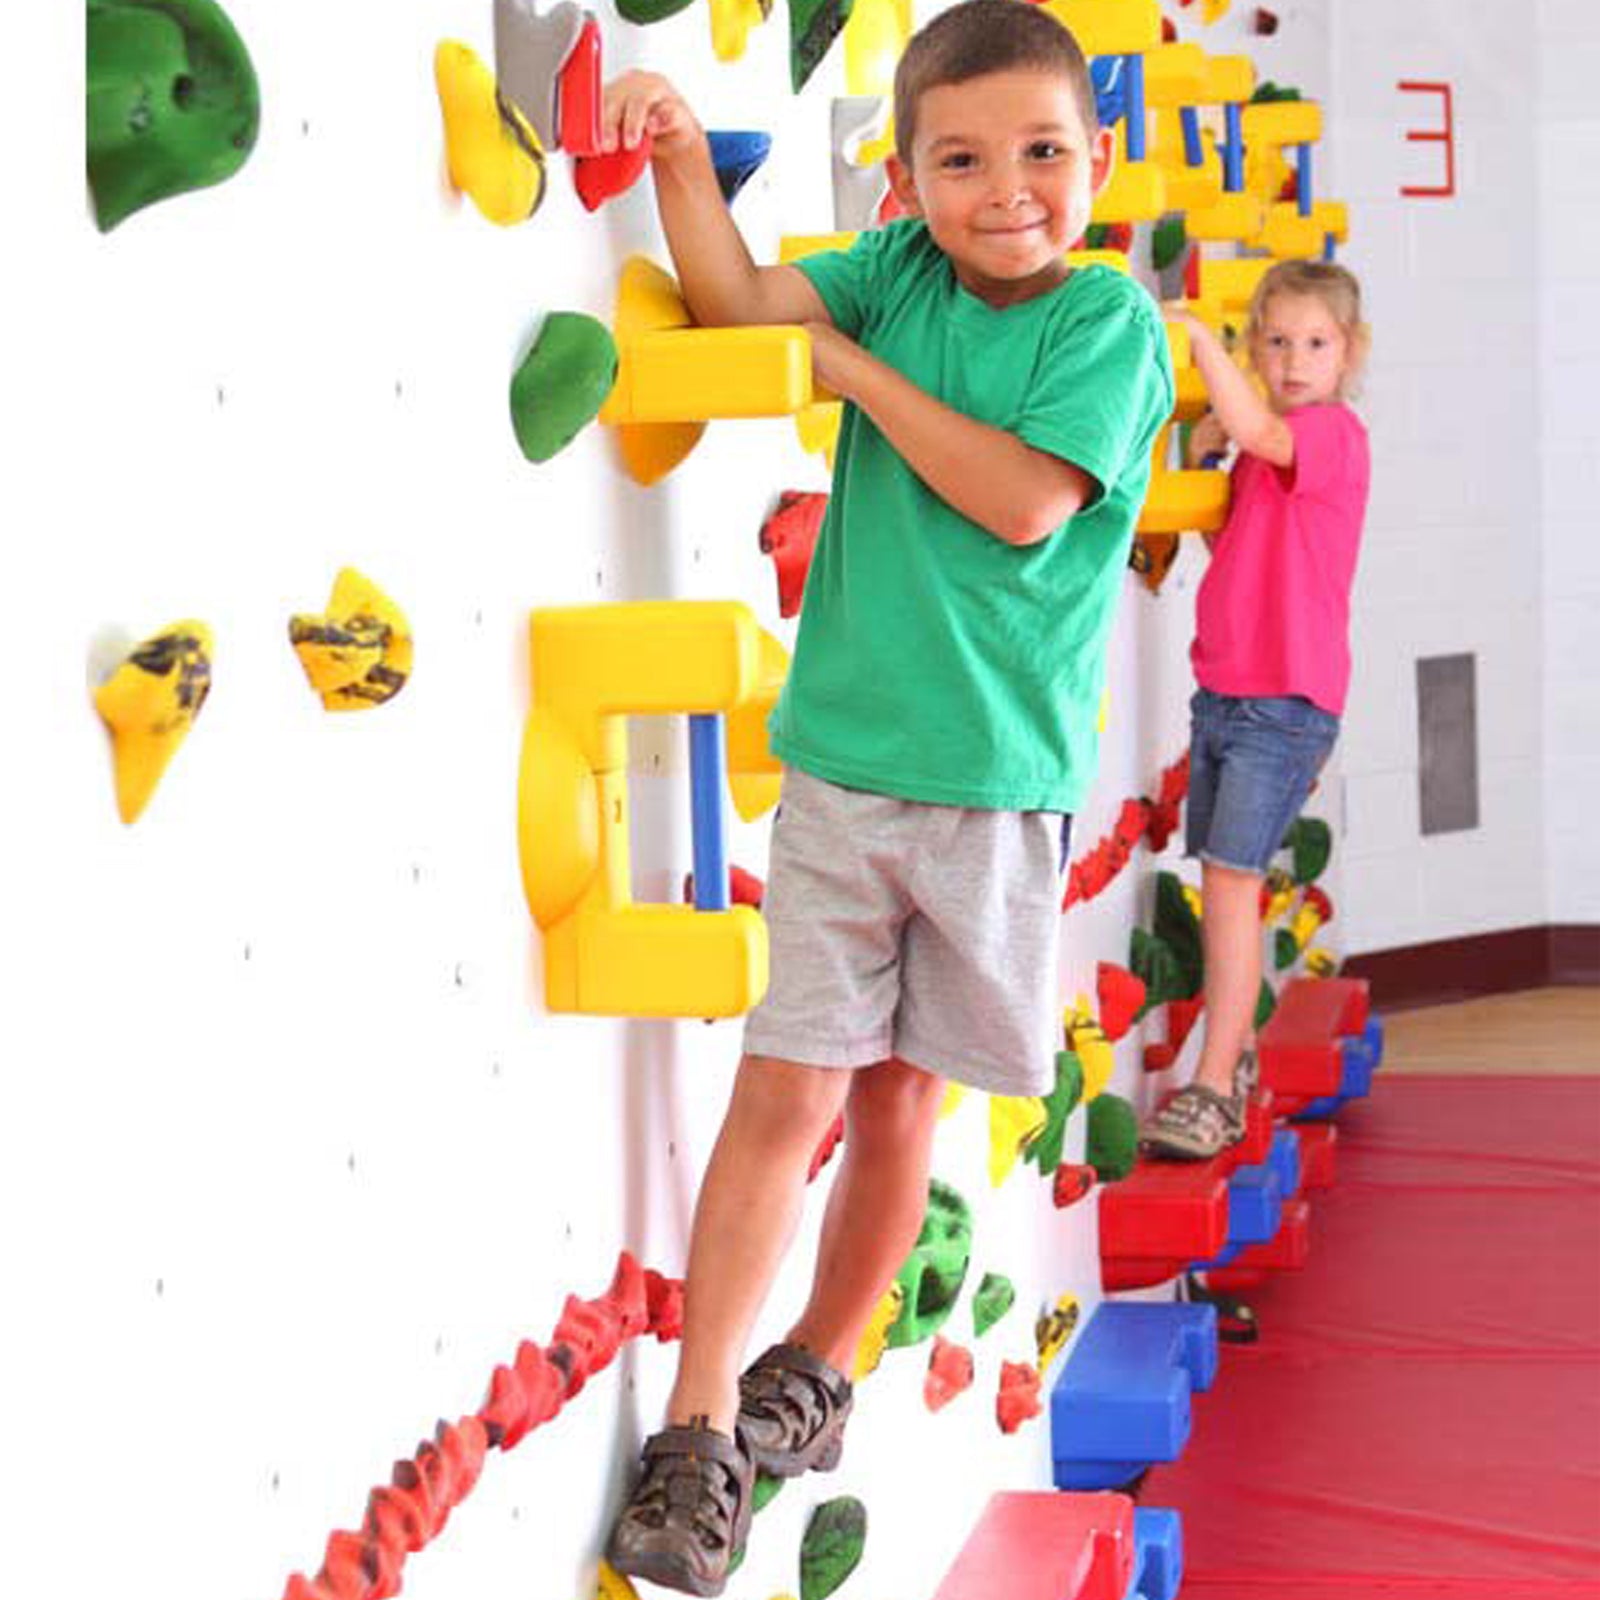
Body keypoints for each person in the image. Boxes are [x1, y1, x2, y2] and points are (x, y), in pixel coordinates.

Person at [600, 3, 1174, 1589]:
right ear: (904, 182)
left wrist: (845, 370)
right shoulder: (892, 272)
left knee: (902, 1097)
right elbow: (731, 298)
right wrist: (672, 161)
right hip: (850, 770)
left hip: (996, 793)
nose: (1008, 190)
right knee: (789, 1091)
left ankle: (824, 1361)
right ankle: (700, 1427)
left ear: (1097, 157)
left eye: (1043, 152)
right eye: (961, 160)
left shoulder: (1108, 327)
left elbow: (1015, 499)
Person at [1141, 260, 1371, 1160]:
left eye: (1314, 343)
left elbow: (1254, 427)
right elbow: (1231, 545)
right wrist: (1202, 459)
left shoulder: (1333, 436)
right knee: (1221, 887)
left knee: (1232, 888)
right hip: (1229, 697)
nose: (1292, 358)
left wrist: (1198, 340)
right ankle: (1226, 1068)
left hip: (1286, 703)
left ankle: (1214, 1083)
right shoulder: (1263, 453)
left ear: (1348, 355)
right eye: (1273, 342)